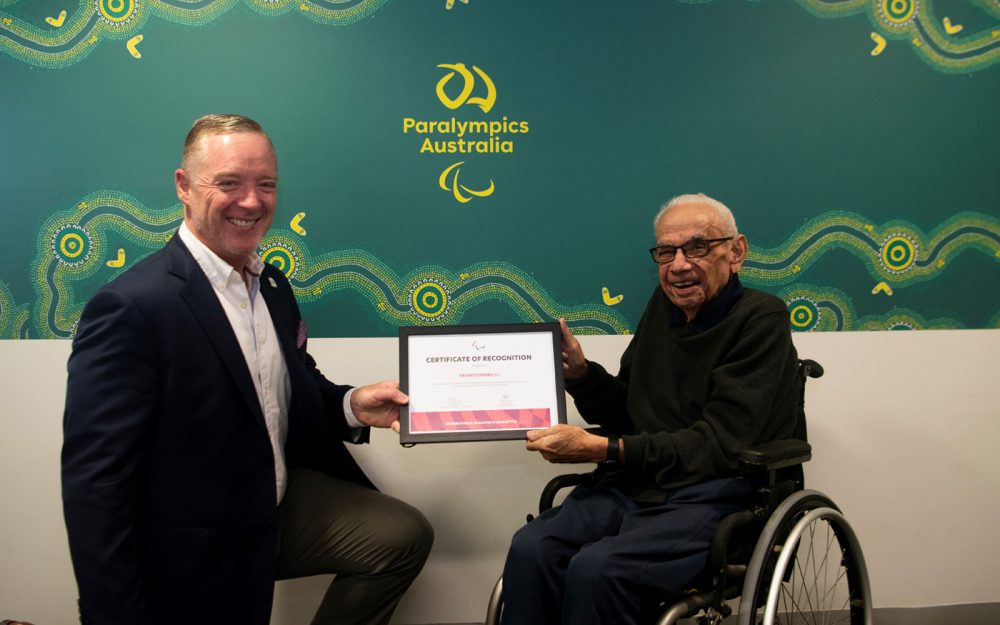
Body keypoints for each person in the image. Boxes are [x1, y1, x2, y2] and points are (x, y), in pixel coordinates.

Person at [62, 114, 434, 625]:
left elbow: (287, 388)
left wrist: (351, 405)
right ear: (184, 187)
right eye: (229, 183)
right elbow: (95, 482)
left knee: (400, 535)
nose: (252, 201)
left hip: (275, 503)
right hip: (196, 540)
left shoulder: (272, 287)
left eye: (266, 185)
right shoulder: (133, 306)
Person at [500, 193, 802, 625]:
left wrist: (606, 449)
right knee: (532, 547)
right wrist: (582, 374)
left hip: (711, 495)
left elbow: (718, 444)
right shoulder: (663, 310)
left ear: (736, 252)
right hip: (633, 487)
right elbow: (630, 409)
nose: (678, 265)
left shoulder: (761, 319)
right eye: (666, 251)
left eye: (697, 247)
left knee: (599, 569)